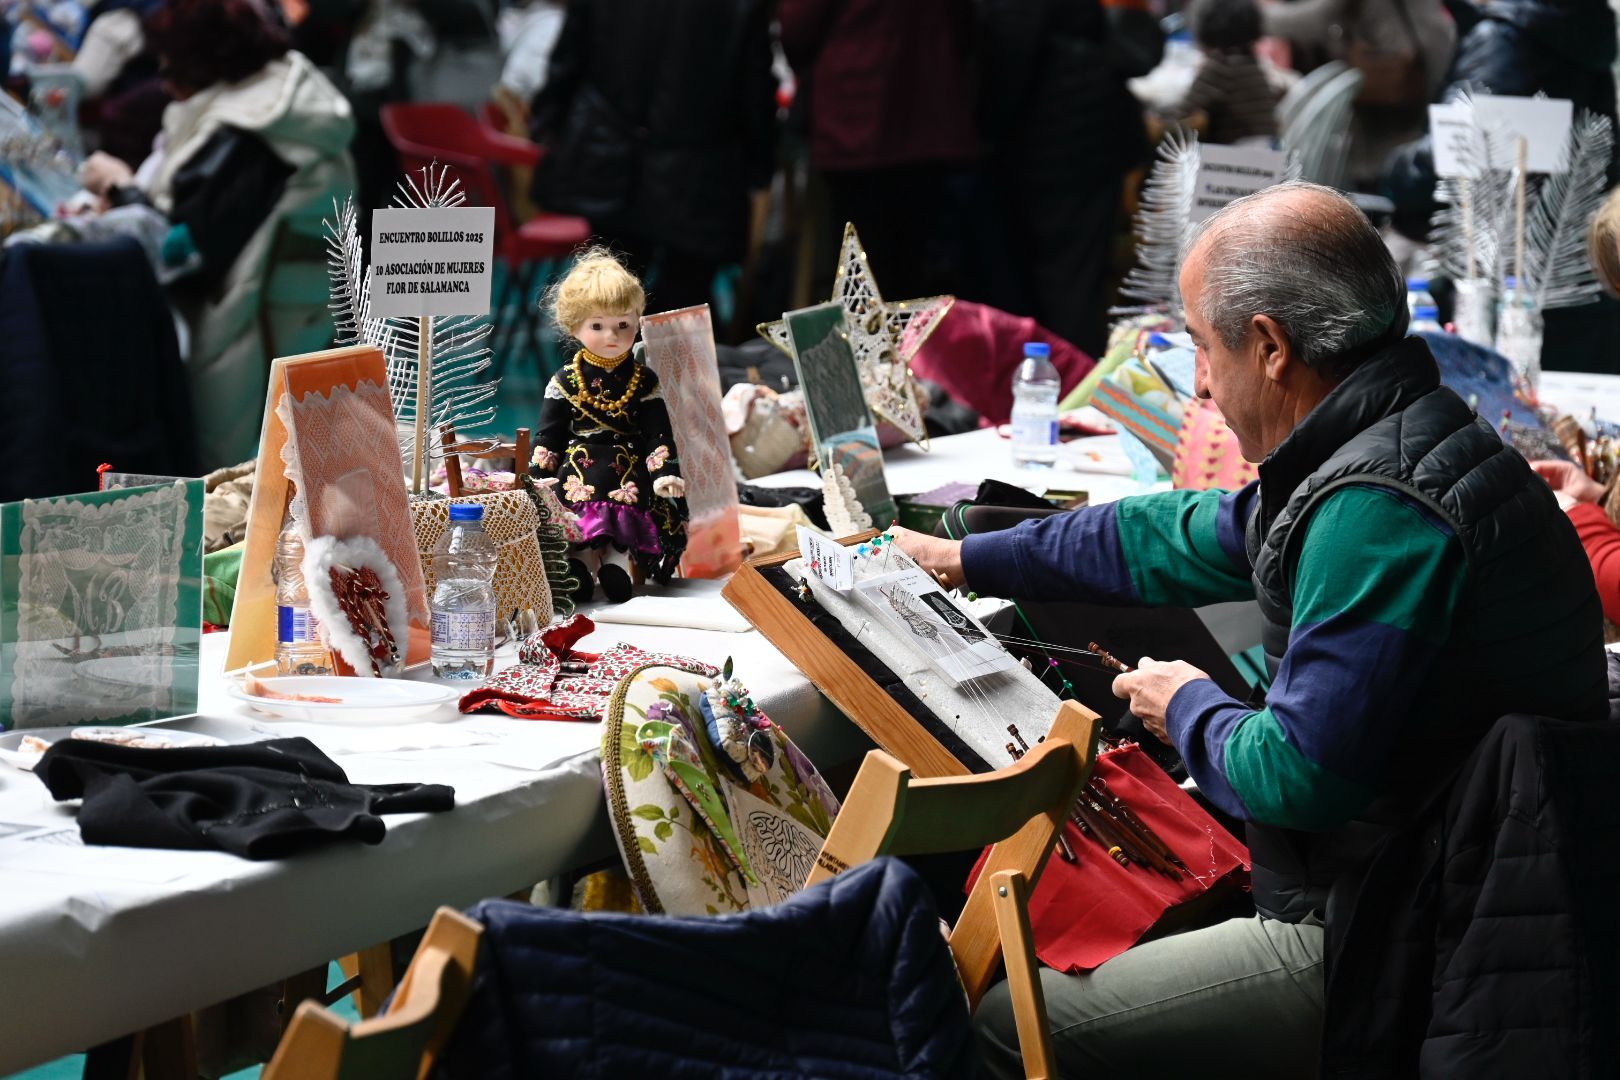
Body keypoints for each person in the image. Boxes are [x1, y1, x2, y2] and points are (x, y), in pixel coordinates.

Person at [893, 181, 1607, 1076]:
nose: (1196, 383)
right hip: (1419, 883)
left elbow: (1292, 778)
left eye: (1198, 345)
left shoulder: (1378, 510)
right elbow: (1176, 534)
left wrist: (1184, 702)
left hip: (1395, 936)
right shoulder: (1397, 438)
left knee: (1002, 1020)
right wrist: (967, 554)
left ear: (1268, 346)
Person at [73, 0, 355, 468]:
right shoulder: (285, 103)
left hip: (251, 332)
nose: (164, 80)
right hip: (294, 320)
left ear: (203, 62)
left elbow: (185, 251)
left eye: (171, 65)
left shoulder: (249, 131)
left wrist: (120, 188)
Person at [528, 0, 777, 316]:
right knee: (682, 310)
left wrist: (548, 123)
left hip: (610, 161)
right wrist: (759, 165)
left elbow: (568, 60)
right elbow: (754, 92)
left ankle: (601, 365)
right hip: (698, 175)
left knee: (608, 305)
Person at [974, 0, 1162, 355]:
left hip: (1056, 141)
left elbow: (1011, 54)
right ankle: (1068, 380)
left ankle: (1068, 386)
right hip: (1081, 132)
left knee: (1065, 284)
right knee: (1073, 282)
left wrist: (984, 128)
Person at [781, 0, 980, 301]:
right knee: (917, 279)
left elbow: (798, 29)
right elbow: (966, 25)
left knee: (861, 281)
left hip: (857, 123)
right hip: (928, 117)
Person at [534, 249, 687, 603]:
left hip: (626, 464)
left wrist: (664, 471)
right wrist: (539, 473)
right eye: (597, 326)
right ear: (575, 327)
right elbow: (549, 434)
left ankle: (616, 560)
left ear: (638, 320)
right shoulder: (565, 381)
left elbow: (657, 433)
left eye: (624, 325)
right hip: (577, 466)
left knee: (625, 492)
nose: (612, 336)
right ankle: (580, 560)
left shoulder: (644, 381)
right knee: (576, 501)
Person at [1159, 0, 1282, 145]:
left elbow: (1181, 114)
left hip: (1237, 159)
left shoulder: (1222, 65)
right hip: (1266, 154)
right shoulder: (1249, 61)